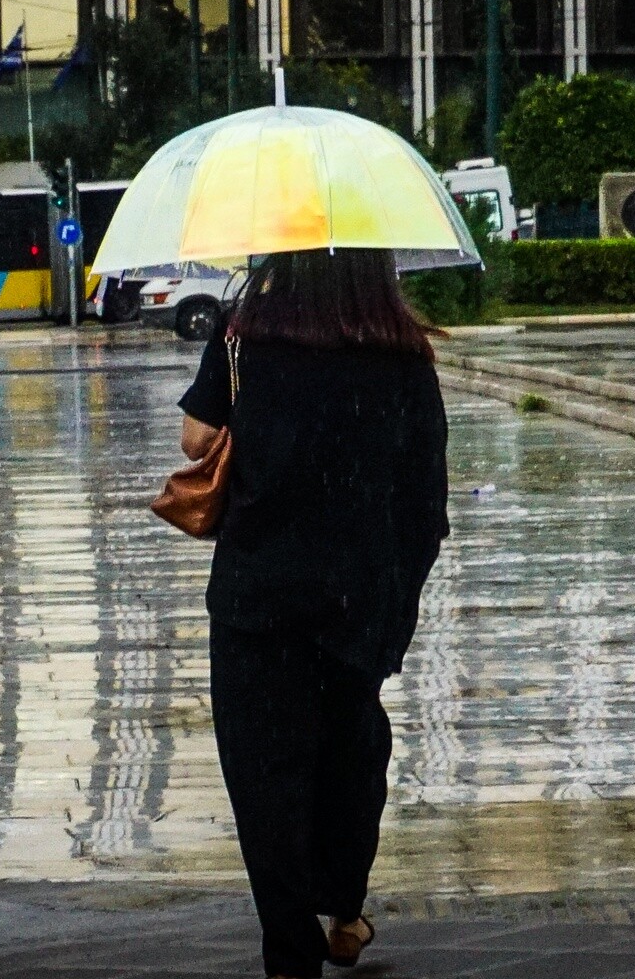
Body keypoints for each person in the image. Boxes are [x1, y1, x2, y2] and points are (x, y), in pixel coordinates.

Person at [177, 247, 449, 979]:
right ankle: (346, 904)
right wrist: (398, 603)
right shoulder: (399, 353)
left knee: (264, 775)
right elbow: (426, 497)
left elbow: (195, 441)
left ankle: (290, 951)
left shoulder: (243, 336)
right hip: (357, 598)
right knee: (350, 756)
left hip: (256, 598)